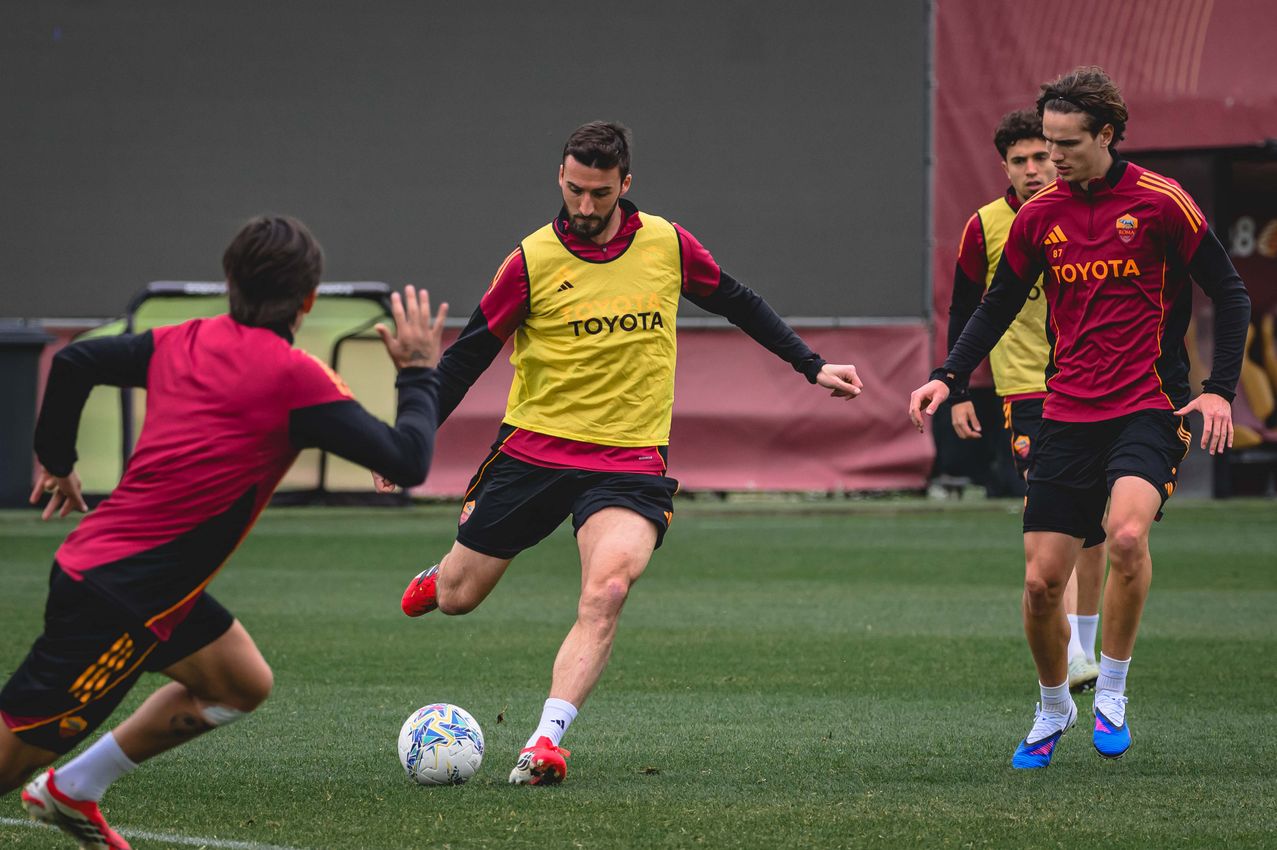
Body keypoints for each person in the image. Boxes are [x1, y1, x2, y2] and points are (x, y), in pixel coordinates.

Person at [395, 121, 864, 785]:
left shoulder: (666, 244)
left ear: (625, 185)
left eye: (599, 193)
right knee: (461, 597)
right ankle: (442, 576)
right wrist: (405, 441)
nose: (583, 207)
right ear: (560, 178)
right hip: (532, 453)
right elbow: (469, 354)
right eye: (573, 190)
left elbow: (737, 301)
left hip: (627, 462)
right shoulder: (530, 260)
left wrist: (809, 366)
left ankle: (544, 743)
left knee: (608, 588)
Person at [0, 215, 447, 848]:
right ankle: (53, 782)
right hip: (118, 600)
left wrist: (59, 462)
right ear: (309, 301)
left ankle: (71, 790)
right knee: (7, 761)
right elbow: (408, 461)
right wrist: (420, 372)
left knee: (239, 684)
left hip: (135, 582)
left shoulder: (181, 339)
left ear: (228, 283)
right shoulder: (295, 379)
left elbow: (74, 360)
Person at [909, 66, 1250, 768]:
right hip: (1065, 410)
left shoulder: (1162, 203)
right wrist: (947, 376)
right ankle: (1054, 700)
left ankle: (1114, 689)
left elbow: (1230, 291)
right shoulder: (1038, 216)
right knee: (1039, 586)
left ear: (1105, 135)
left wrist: (1217, 387)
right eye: (1043, 145)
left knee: (1124, 536)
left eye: (1064, 145)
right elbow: (994, 306)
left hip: (1148, 407)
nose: (1052, 159)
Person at [948, 108, 1105, 692]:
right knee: (1049, 514)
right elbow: (966, 308)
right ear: (1004, 167)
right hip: (1028, 391)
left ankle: (1083, 649)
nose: (1034, 169)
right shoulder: (985, 226)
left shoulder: (1089, 215)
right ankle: (1068, 652)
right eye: (1020, 161)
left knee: (1096, 527)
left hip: (1098, 385)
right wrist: (960, 389)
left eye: (1042, 157)